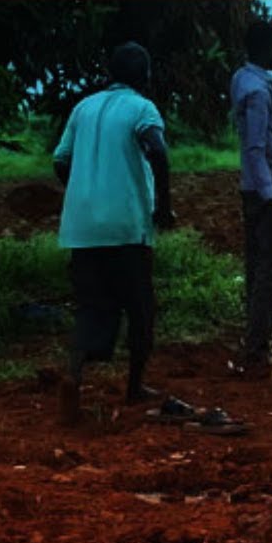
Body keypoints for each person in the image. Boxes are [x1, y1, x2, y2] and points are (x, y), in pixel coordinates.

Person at [53, 41, 175, 424]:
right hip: (125, 224)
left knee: (92, 304)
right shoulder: (142, 108)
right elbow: (158, 150)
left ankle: (74, 371)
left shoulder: (83, 107)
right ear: (144, 76)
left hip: (81, 225)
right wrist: (163, 205)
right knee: (140, 306)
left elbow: (60, 160)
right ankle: (135, 386)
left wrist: (83, 192)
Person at [230, 19, 272, 369]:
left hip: (258, 188)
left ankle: (253, 343)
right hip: (263, 194)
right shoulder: (256, 90)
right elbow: (255, 148)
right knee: (269, 271)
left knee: (258, 268)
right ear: (268, 46)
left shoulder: (245, 80)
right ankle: (256, 350)